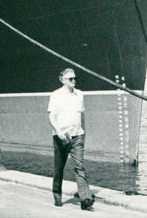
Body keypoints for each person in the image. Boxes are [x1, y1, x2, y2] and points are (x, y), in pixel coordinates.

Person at [47, 68, 94, 211]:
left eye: (74, 78)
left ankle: (85, 199)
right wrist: (59, 132)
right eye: (70, 79)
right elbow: (51, 116)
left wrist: (83, 132)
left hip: (77, 136)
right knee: (59, 168)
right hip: (61, 136)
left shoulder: (80, 95)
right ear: (62, 80)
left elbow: (82, 115)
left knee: (80, 166)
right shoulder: (55, 95)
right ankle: (57, 194)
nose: (74, 80)